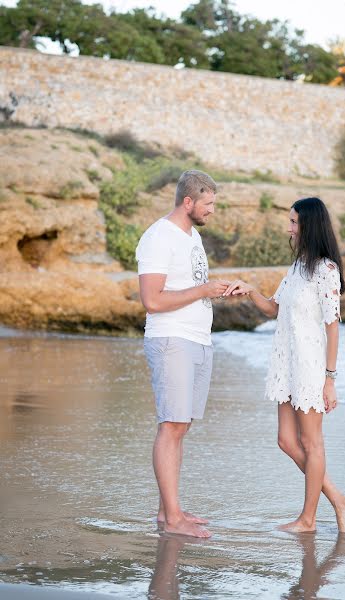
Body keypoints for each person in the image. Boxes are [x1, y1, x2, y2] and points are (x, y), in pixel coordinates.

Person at [223, 197, 345, 533]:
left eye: (294, 222)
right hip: (287, 364)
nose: (289, 227)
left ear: (309, 225)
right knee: (286, 440)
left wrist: (330, 379)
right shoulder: (297, 268)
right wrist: (251, 290)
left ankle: (308, 520)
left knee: (312, 443)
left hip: (312, 366)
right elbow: (273, 308)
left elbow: (333, 326)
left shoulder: (326, 271)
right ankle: (341, 501)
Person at [136, 170, 230, 539]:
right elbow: (152, 300)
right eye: (208, 204)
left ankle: (168, 510)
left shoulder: (192, 237)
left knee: (181, 426)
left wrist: (215, 290)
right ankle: (172, 517)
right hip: (171, 340)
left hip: (197, 339)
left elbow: (189, 287)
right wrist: (203, 289)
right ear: (188, 202)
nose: (212, 211)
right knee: (171, 425)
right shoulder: (159, 237)